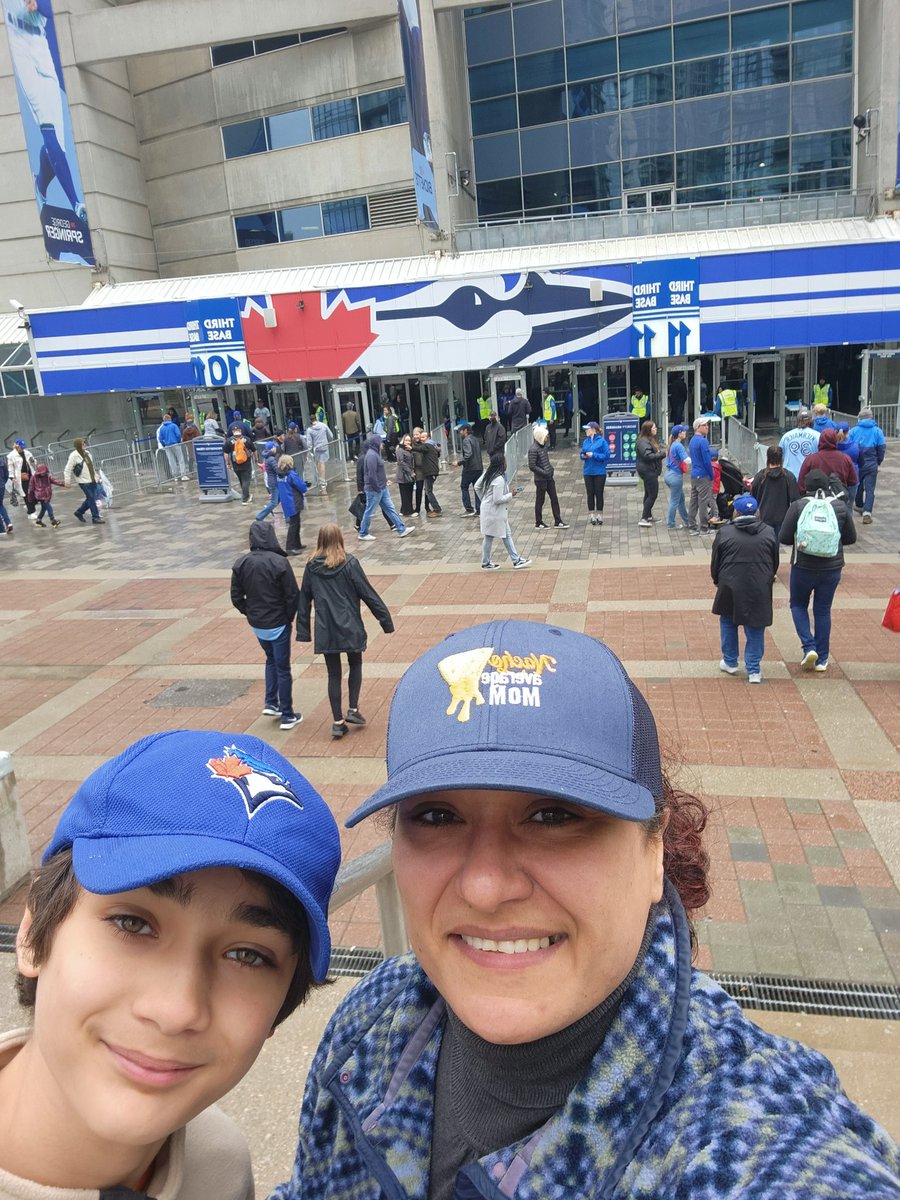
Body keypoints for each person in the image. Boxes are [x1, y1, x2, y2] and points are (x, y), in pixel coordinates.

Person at [272, 618, 900, 1200]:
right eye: (438, 816)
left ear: (656, 849)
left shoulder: (749, 1146)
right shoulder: (371, 1026)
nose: (486, 886)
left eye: (554, 816)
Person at [2, 727, 340, 1198]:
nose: (177, 1009)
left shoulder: (218, 1165)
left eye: (247, 956)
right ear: (33, 937)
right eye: (133, 925)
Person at [296, 523, 394, 739]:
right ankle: (353, 709)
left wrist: (303, 631)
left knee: (333, 674)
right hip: (350, 625)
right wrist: (385, 620)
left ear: (320, 540)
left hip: (326, 628)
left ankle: (337, 722)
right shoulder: (349, 563)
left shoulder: (311, 566)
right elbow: (368, 593)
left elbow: (303, 599)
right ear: (339, 539)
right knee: (355, 664)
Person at [780, 469, 857, 673]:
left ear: (805, 487)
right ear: (826, 486)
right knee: (823, 610)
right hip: (832, 567)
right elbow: (851, 538)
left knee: (798, 605)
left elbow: (784, 537)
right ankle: (822, 659)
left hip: (803, 565)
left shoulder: (798, 506)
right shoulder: (839, 507)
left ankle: (809, 646)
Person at [231, 521, 302, 729]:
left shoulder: (241, 563)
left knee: (270, 660)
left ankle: (271, 701)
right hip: (278, 621)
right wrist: (288, 617)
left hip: (258, 623)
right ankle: (287, 713)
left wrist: (249, 612)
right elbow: (292, 594)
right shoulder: (279, 562)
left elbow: (236, 596)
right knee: (282, 667)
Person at [711, 494, 779, 684]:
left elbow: (715, 562)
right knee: (756, 628)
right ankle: (754, 670)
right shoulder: (768, 532)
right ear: (756, 512)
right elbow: (774, 562)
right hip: (759, 587)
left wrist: (717, 580)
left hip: (730, 585)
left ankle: (730, 662)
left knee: (728, 621)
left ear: (736, 512)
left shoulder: (725, 533)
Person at [475, 450, 529, 570]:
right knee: (502, 535)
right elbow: (498, 499)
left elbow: (477, 486)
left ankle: (487, 562)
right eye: (505, 461)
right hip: (494, 513)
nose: (506, 464)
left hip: (491, 512)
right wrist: (511, 494)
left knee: (492, 536)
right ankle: (515, 560)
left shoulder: (488, 474)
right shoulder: (498, 479)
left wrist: (483, 499)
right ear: (501, 464)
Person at [359, 434, 413, 542]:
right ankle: (363, 533)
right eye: (381, 442)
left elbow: (378, 473)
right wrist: (378, 487)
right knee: (369, 511)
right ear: (376, 443)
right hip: (375, 489)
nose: (382, 444)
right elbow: (371, 474)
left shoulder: (374, 454)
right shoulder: (371, 456)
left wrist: (384, 481)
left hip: (381, 488)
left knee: (390, 508)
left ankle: (401, 529)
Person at [750, 445, 800, 544]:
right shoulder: (789, 477)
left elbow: (753, 496)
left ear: (768, 458)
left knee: (764, 547)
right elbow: (795, 500)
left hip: (763, 517)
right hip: (782, 519)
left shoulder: (760, 476)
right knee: (775, 548)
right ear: (782, 459)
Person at [848, 407, 887, 525]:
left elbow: (849, 446)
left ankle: (859, 504)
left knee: (858, 486)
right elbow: (881, 448)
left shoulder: (854, 431)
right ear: (871, 417)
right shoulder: (877, 431)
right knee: (870, 489)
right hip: (871, 463)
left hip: (858, 463)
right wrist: (878, 461)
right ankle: (867, 513)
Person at [528, 424, 568, 529]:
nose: (547, 438)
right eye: (545, 436)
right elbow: (532, 466)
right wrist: (544, 472)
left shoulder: (544, 447)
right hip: (541, 479)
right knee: (540, 501)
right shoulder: (533, 449)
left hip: (549, 477)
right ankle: (538, 522)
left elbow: (546, 461)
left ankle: (558, 521)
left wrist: (551, 469)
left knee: (554, 498)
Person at [797, 428, 857, 496]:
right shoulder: (845, 459)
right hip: (838, 498)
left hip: (816, 499)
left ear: (820, 441)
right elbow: (853, 481)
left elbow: (801, 483)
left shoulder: (811, 459)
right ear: (835, 440)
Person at [275, 454, 309, 556]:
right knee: (294, 524)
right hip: (294, 501)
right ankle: (290, 547)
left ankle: (297, 544)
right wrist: (305, 485)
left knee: (296, 522)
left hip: (286, 502)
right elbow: (302, 487)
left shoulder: (280, 475)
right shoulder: (291, 474)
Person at [64, 436, 104, 525]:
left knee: (90, 499)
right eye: (82, 444)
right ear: (78, 445)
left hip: (92, 480)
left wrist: (97, 477)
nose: (85, 445)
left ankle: (79, 512)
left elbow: (91, 467)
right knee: (91, 499)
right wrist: (67, 481)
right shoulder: (74, 455)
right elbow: (68, 469)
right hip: (83, 481)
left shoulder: (87, 453)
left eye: (85, 443)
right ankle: (95, 518)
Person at [687, 417, 715, 535]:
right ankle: (704, 527)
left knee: (693, 501)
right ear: (698, 427)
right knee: (703, 501)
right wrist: (712, 475)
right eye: (704, 425)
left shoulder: (692, 440)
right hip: (703, 475)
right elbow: (707, 461)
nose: (707, 427)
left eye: (707, 425)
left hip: (694, 474)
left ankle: (692, 525)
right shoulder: (703, 441)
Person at [635, 419, 665, 528]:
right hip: (648, 471)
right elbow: (647, 456)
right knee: (653, 494)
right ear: (648, 430)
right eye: (654, 428)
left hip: (650, 470)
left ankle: (648, 515)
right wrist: (661, 455)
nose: (656, 429)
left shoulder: (649, 439)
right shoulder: (643, 441)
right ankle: (643, 518)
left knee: (648, 493)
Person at [579, 420, 610, 527]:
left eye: (587, 429)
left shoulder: (602, 442)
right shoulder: (586, 441)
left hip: (599, 471)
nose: (586, 431)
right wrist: (583, 455)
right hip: (588, 471)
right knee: (590, 493)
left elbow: (606, 455)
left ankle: (599, 515)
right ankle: (591, 514)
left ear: (593, 430)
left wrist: (594, 455)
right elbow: (581, 453)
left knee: (599, 493)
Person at [663, 423, 690, 530]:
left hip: (668, 475)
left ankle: (687, 520)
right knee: (674, 501)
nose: (685, 432)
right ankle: (671, 524)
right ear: (679, 434)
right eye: (683, 431)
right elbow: (686, 460)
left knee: (680, 499)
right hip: (675, 477)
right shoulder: (679, 446)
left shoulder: (672, 444)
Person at [779, 409, 820, 480]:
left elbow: (779, 456)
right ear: (811, 421)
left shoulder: (786, 436)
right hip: (809, 478)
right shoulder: (818, 436)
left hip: (788, 477)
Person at [412, 427, 443, 517]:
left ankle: (436, 509)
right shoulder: (431, 445)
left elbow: (421, 449)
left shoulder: (428, 445)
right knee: (425, 490)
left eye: (422, 437)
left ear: (428, 438)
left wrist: (410, 448)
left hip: (429, 471)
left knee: (428, 491)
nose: (420, 438)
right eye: (416, 435)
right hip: (424, 471)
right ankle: (423, 508)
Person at [26, 462, 66, 527]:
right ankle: (53, 520)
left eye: (44, 473)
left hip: (47, 494)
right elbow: (31, 488)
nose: (43, 474)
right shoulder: (34, 477)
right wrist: (30, 498)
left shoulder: (47, 477)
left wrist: (63, 484)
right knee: (49, 507)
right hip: (41, 496)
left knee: (43, 508)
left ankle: (38, 520)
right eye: (42, 473)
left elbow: (54, 481)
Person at [456, 421, 483, 516]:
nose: (460, 433)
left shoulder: (466, 440)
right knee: (477, 488)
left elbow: (468, 454)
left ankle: (468, 508)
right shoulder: (475, 439)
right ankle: (479, 509)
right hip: (479, 467)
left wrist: (459, 462)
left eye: (461, 431)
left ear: (466, 431)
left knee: (464, 486)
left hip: (470, 468)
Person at [224, 423, 255, 504]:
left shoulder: (229, 441)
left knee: (241, 480)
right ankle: (245, 499)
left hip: (235, 463)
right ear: (240, 431)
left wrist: (227, 463)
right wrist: (256, 460)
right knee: (246, 480)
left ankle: (246, 495)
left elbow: (226, 454)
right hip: (246, 463)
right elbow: (254, 450)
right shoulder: (247, 439)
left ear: (233, 431)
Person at [7, 439, 37, 519]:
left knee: (33, 492)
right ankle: (31, 512)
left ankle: (29, 507)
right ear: (17, 446)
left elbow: (34, 461)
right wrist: (12, 477)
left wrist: (33, 460)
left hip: (30, 475)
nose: (23, 449)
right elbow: (10, 467)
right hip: (20, 477)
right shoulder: (11, 456)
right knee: (26, 494)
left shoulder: (27, 453)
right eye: (21, 447)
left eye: (23, 447)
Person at [835, 422, 861, 512]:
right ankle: (849, 524)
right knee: (849, 506)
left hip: (836, 479)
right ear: (848, 432)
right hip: (852, 478)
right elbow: (861, 461)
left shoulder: (833, 446)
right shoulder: (855, 446)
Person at [156, 412, 188, 481]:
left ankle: (175, 476)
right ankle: (183, 475)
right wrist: (178, 441)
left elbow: (160, 438)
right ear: (170, 419)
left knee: (171, 461)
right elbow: (178, 435)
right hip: (175, 444)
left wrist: (164, 444)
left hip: (167, 446)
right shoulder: (174, 426)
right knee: (180, 459)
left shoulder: (162, 428)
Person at [306, 413, 333, 493]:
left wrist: (309, 451)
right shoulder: (323, 425)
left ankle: (321, 480)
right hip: (324, 446)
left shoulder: (309, 430)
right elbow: (331, 435)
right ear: (316, 418)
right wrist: (329, 441)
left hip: (316, 449)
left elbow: (309, 443)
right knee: (322, 463)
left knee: (319, 463)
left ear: (310, 420)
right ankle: (322, 481)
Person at [255, 441, 282, 521]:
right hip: (274, 482)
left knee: (279, 499)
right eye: (275, 447)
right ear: (272, 448)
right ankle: (260, 517)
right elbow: (277, 470)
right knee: (274, 502)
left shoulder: (268, 457)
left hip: (273, 481)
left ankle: (267, 508)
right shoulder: (271, 459)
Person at [395, 431, 417, 517]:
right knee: (405, 494)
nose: (408, 442)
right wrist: (410, 472)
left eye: (409, 441)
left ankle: (403, 509)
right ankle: (408, 511)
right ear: (403, 440)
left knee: (409, 492)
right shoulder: (400, 450)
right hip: (403, 475)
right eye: (406, 440)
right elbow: (401, 462)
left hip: (409, 474)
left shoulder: (408, 449)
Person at [0, 453, 12, 535]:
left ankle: (1, 529)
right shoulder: (2, 462)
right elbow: (6, 474)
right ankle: (8, 522)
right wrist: (3, 482)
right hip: (1, 486)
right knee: (0, 505)